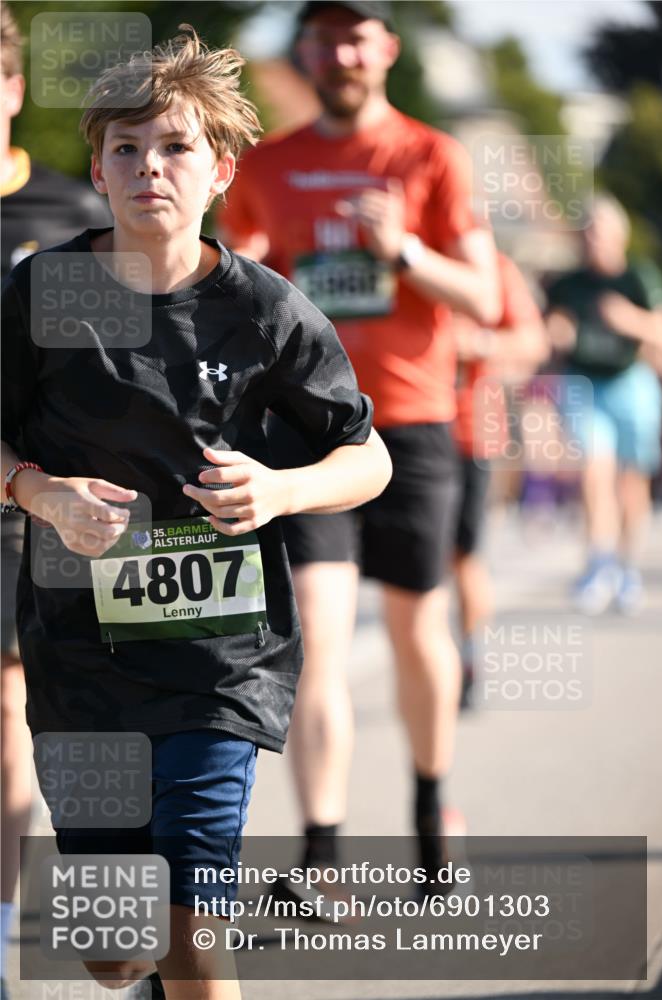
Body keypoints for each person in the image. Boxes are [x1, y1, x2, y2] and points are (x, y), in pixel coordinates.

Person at [1, 25, 391, 1000]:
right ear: (98, 169)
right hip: (80, 660)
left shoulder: (264, 309)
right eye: (126, 148)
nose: (149, 166)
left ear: (220, 170)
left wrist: (283, 488)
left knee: (190, 931)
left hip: (220, 660)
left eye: (174, 146)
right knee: (115, 953)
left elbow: (368, 457)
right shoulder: (44, 292)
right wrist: (38, 492)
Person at [220, 0, 501, 895]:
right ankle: (322, 859)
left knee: (419, 629)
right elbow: (232, 276)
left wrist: (401, 248)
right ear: (304, 52)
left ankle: (430, 810)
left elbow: (485, 298)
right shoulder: (268, 164)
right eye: (321, 38)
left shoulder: (431, 155)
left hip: (411, 421)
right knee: (315, 635)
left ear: (385, 48)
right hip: (303, 429)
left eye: (354, 37)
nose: (338, 54)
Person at [0, 7, 111, 998]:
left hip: (24, 506)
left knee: (9, 708)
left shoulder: (71, 216)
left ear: (13, 88)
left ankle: (0, 928)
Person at [545, 195, 662, 615]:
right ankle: (599, 562)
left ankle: (627, 565)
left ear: (619, 235)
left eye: (600, 231)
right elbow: (551, 327)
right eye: (587, 231)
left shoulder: (639, 277)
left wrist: (630, 320)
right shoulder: (568, 284)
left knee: (631, 481)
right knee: (593, 471)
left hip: (630, 380)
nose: (593, 239)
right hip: (584, 382)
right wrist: (557, 332)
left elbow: (661, 331)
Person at [451, 253, 547, 706]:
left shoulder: (494, 267)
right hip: (399, 430)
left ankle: (470, 660)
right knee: (416, 565)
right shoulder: (392, 251)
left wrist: (477, 342)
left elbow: (533, 341)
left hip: (472, 432)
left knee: (464, 556)